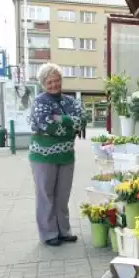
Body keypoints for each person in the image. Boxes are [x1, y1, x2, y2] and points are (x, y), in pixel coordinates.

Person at [29, 63, 86, 246]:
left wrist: (60, 119)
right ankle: (48, 233)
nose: (54, 84)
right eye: (49, 82)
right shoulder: (40, 102)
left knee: (63, 195)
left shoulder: (70, 101)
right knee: (46, 194)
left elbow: (82, 121)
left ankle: (64, 230)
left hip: (66, 156)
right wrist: (68, 126)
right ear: (43, 84)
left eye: (57, 80)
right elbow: (47, 125)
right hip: (43, 156)